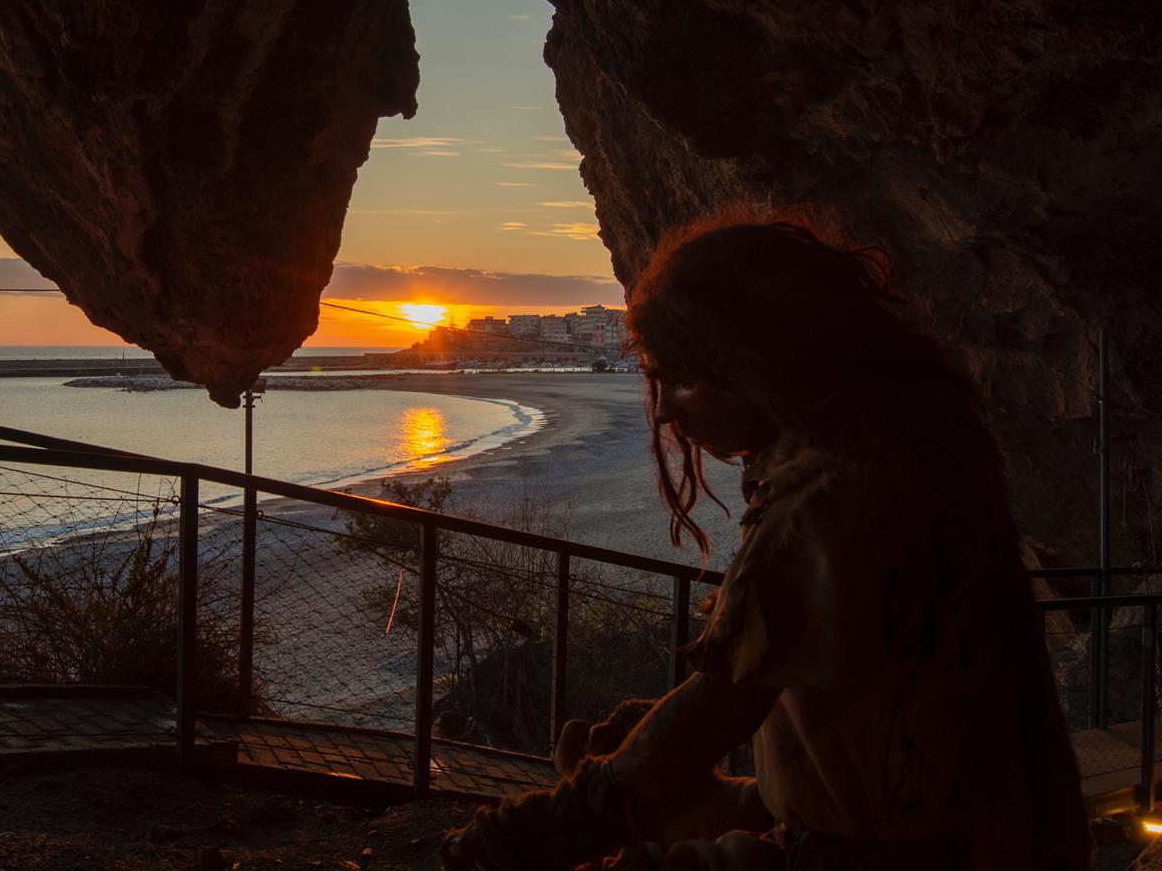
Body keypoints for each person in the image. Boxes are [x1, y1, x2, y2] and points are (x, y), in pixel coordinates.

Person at [442, 213, 1090, 871]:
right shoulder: (903, 452)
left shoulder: (839, 492)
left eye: (682, 378)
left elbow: (724, 705)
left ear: (761, 363)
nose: (665, 410)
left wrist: (554, 822)